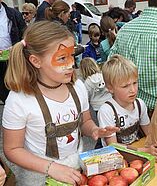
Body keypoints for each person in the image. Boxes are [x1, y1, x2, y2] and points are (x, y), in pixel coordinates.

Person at [2, 21, 119, 186]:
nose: (71, 63)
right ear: (36, 61)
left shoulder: (77, 87)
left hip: (75, 170)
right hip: (38, 177)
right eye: (62, 58)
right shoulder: (19, 100)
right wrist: (52, 167)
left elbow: (85, 121)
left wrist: (94, 129)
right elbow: (12, 150)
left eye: (72, 55)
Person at [98, 55, 157, 162]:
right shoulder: (107, 111)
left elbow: (150, 134)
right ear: (110, 88)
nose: (132, 90)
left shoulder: (140, 104)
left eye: (135, 83)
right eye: (125, 86)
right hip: (117, 159)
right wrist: (145, 151)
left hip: (138, 153)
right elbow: (113, 146)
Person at [0, 0, 26, 103]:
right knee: (2, 88)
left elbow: (25, 34)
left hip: (13, 57)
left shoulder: (13, 14)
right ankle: (8, 105)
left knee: (17, 85)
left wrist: (17, 47)